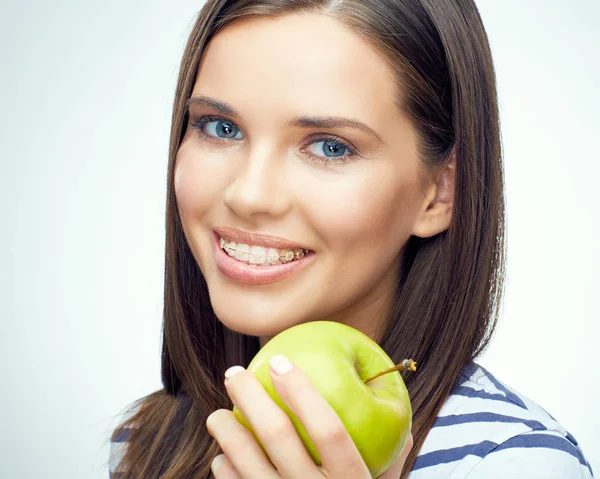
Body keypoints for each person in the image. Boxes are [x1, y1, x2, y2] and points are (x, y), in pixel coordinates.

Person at [108, 0, 594, 477]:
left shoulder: (513, 464)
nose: (249, 194)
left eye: (329, 147)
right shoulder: (146, 442)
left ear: (440, 194)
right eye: (221, 127)